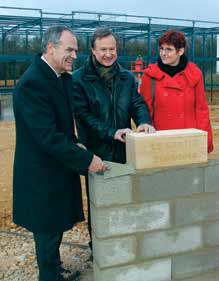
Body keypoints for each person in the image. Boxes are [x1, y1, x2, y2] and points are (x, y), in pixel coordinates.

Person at [13, 26, 107, 281]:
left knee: (54, 223)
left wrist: (75, 142)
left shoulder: (60, 77)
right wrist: (87, 160)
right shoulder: (32, 83)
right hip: (40, 172)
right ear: (50, 48)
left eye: (76, 50)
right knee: (46, 227)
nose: (75, 55)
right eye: (69, 49)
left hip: (56, 165)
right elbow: (47, 136)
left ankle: (54, 267)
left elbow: (63, 125)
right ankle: (49, 275)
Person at [70, 27, 154, 254]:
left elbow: (137, 103)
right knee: (100, 203)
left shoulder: (126, 77)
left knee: (126, 198)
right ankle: (99, 249)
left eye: (112, 49)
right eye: (103, 49)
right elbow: (84, 117)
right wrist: (111, 132)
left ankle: (124, 246)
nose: (109, 54)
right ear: (93, 50)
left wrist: (144, 121)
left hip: (125, 149)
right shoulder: (79, 80)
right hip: (97, 152)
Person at [140, 29, 213, 153]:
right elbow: (145, 109)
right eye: (161, 48)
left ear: (180, 51)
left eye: (169, 49)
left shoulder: (195, 74)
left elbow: (201, 109)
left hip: (189, 139)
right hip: (161, 138)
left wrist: (206, 140)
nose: (163, 53)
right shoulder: (150, 75)